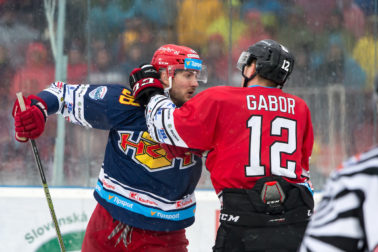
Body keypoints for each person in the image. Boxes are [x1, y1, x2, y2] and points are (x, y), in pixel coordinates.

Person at [12, 44, 206, 251]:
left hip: (162, 235)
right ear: (166, 75)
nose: (195, 83)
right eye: (188, 75)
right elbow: (61, 94)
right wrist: (38, 108)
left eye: (196, 76)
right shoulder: (125, 102)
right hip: (107, 224)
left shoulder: (201, 113)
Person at [131, 39, 315, 251]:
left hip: (244, 224)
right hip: (297, 224)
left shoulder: (222, 99)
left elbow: (163, 126)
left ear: (253, 66)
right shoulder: (300, 108)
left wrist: (151, 92)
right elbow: (303, 169)